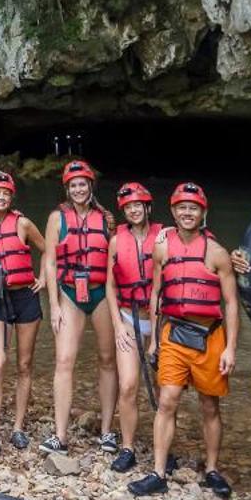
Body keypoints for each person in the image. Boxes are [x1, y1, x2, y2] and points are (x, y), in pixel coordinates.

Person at [129, 181, 240, 499]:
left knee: (209, 406)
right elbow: (156, 294)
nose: (187, 213)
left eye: (193, 208)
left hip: (209, 336)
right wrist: (153, 341)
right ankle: (159, 472)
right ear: (174, 212)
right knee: (167, 401)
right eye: (182, 208)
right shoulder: (162, 248)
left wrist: (230, 348)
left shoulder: (217, 253)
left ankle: (213, 469)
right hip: (173, 333)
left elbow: (231, 303)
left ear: (202, 212)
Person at [41, 160, 119, 457]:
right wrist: (54, 304)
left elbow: (121, 252)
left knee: (107, 359)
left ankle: (107, 431)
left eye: (82, 184)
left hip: (100, 292)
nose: (78, 189)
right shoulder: (56, 219)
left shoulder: (106, 219)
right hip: (71, 292)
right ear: (67, 188)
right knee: (64, 360)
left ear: (90, 186)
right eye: (73, 185)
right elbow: (49, 261)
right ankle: (59, 435)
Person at [0, 170, 46, 458]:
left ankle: (17, 427)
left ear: (10, 196)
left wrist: (43, 278)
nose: (1, 197)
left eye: (5, 192)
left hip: (25, 296)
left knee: (24, 364)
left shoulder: (24, 223)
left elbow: (47, 249)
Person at [104, 180, 161, 473]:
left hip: (159, 321)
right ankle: (127, 447)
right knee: (128, 386)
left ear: (147, 207)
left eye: (138, 205)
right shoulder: (117, 240)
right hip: (128, 318)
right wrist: (117, 324)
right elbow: (110, 285)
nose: (134, 210)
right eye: (129, 207)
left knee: (166, 391)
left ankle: (164, 449)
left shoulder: (164, 236)